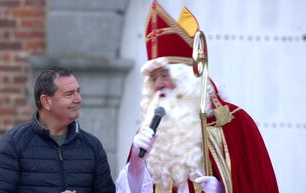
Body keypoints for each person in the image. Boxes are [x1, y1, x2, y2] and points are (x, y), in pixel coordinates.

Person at [116, 1, 279, 193]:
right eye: (153, 78)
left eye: (165, 75)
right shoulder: (148, 132)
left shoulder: (235, 123)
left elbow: (260, 186)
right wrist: (136, 163)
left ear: (187, 80)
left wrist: (222, 190)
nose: (158, 84)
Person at [0, 66, 115, 193]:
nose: (78, 99)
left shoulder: (92, 146)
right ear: (46, 101)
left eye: (78, 92)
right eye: (69, 94)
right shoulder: (13, 144)